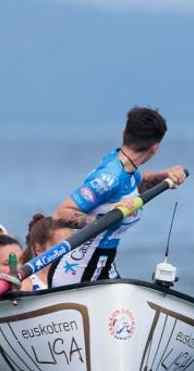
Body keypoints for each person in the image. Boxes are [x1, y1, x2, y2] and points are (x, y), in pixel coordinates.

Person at [50, 106, 185, 287]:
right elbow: (60, 215)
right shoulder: (110, 178)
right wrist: (102, 219)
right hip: (78, 272)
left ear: (124, 133)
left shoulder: (127, 168)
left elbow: (138, 182)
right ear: (155, 148)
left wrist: (164, 175)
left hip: (105, 267)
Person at [21, 213, 76, 290]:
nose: (70, 252)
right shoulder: (26, 285)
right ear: (38, 249)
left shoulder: (79, 277)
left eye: (73, 245)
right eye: (61, 248)